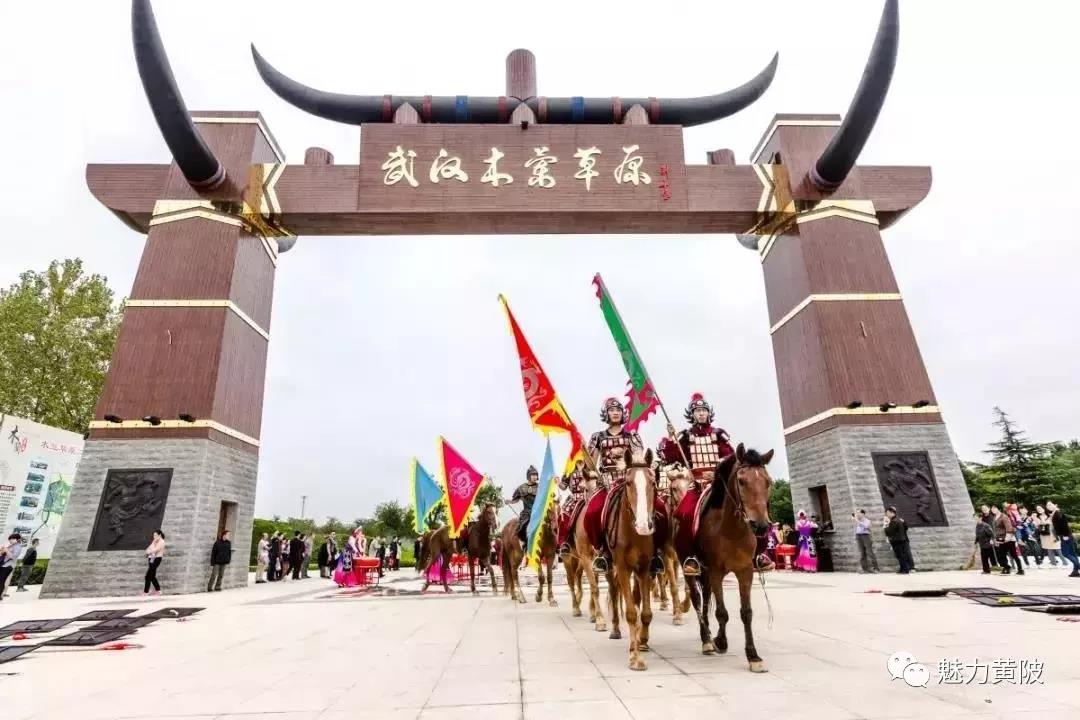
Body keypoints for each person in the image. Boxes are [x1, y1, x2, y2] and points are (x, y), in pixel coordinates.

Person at [658, 393, 740, 576]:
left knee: (745, 507)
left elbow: (732, 456)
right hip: (695, 484)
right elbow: (671, 457)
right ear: (692, 414)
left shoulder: (719, 434)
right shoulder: (686, 436)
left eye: (704, 410)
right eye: (698, 411)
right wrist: (671, 439)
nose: (701, 413)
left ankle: (757, 553)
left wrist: (719, 469)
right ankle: (691, 556)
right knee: (684, 514)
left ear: (709, 413)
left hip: (719, 484)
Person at [585, 397, 659, 575]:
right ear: (606, 414)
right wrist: (585, 454)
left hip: (630, 481)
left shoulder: (632, 435)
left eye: (618, 410)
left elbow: (639, 458)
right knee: (592, 511)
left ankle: (657, 552)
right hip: (608, 483)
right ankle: (603, 550)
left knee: (660, 508)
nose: (615, 413)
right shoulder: (598, 437)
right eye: (611, 410)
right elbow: (590, 465)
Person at [556, 459, 590, 557]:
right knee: (563, 516)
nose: (580, 461)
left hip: (587, 496)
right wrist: (558, 482)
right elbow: (563, 487)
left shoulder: (589, 469)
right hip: (574, 498)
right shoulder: (569, 471)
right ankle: (564, 543)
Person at [507, 466, 540, 546]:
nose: (535, 477)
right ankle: (525, 544)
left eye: (536, 475)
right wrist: (509, 502)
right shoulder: (521, 488)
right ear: (528, 476)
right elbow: (516, 499)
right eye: (533, 475)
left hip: (539, 512)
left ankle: (557, 546)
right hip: (527, 513)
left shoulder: (541, 487)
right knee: (522, 528)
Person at [1046, 501, 1080, 577]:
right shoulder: (1055, 513)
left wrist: (1065, 535)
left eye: (1050, 504)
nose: (1048, 506)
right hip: (1066, 535)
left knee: (1065, 553)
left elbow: (1064, 524)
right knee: (1072, 554)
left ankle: (1077, 567)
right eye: (1047, 505)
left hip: (1065, 536)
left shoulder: (1058, 513)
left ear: (1055, 505)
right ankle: (1075, 571)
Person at [990, 505, 1023, 575]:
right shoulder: (994, 518)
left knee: (1014, 555)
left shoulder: (1004, 516)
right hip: (1000, 539)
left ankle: (1020, 569)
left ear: (998, 509)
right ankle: (1007, 568)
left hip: (1009, 539)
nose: (993, 510)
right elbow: (995, 529)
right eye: (992, 509)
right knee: (1001, 556)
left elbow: (1009, 527)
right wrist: (994, 538)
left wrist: (1007, 537)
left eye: (994, 508)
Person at [883, 507, 912, 574]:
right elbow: (906, 528)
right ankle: (902, 569)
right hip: (902, 540)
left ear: (892, 513)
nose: (886, 515)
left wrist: (886, 524)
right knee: (901, 555)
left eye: (887, 513)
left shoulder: (893, 521)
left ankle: (905, 570)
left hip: (896, 541)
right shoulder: (899, 520)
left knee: (900, 556)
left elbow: (889, 532)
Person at [0, 534, 23, 600]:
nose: (10, 540)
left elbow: (13, 557)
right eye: (10, 539)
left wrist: (6, 550)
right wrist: (2, 550)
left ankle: (0, 595)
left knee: (1, 580)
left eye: (12, 539)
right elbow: (3, 554)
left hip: (8, 566)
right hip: (2, 564)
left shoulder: (18, 547)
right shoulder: (11, 545)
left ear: (17, 539)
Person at [144, 529, 166, 595]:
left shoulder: (162, 542)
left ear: (159, 535)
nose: (154, 536)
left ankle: (146, 592)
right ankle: (158, 590)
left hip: (157, 559)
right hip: (151, 558)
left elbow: (155, 550)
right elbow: (148, 549)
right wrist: (149, 551)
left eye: (155, 535)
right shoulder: (154, 541)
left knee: (148, 576)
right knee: (152, 576)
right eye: (154, 535)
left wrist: (149, 551)